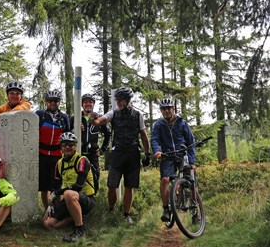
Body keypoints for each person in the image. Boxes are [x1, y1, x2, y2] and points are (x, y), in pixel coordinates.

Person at [89, 87, 151, 224]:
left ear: (128, 100)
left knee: (129, 186)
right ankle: (111, 209)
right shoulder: (114, 113)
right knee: (112, 185)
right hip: (117, 153)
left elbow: (144, 135)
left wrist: (147, 154)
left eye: (120, 100)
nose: (118, 102)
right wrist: (94, 119)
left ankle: (126, 214)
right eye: (117, 99)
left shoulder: (138, 115)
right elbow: (101, 120)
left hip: (133, 153)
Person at [43, 132, 95, 242]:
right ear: (61, 147)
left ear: (75, 145)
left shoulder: (82, 161)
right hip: (69, 200)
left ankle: (79, 230)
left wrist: (58, 193)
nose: (67, 147)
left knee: (68, 193)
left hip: (85, 199)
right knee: (48, 224)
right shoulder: (59, 163)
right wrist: (50, 204)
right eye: (64, 144)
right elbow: (55, 186)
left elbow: (78, 186)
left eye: (70, 144)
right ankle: (75, 217)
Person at [151, 97, 196, 222]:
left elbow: (190, 141)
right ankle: (166, 209)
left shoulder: (182, 123)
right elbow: (154, 139)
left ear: (173, 109)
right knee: (165, 179)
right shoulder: (158, 125)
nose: (166, 111)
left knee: (191, 181)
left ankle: (194, 210)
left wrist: (192, 161)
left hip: (183, 155)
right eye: (164, 109)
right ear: (161, 111)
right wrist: (157, 151)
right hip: (167, 155)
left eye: (169, 109)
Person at [35, 90, 70, 210]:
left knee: (56, 186)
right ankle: (47, 211)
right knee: (44, 186)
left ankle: (57, 211)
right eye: (50, 101)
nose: (52, 103)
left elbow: (67, 136)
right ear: (46, 102)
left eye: (55, 101)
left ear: (59, 102)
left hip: (57, 155)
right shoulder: (40, 115)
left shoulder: (64, 117)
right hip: (42, 154)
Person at [70, 93, 110, 195]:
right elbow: (67, 133)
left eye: (91, 102)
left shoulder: (99, 118)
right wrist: (75, 130)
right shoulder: (76, 118)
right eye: (86, 102)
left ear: (93, 104)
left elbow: (108, 134)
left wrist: (103, 149)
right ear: (82, 104)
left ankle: (92, 199)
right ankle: (78, 198)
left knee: (95, 176)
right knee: (77, 176)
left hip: (93, 154)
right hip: (79, 152)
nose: (88, 104)